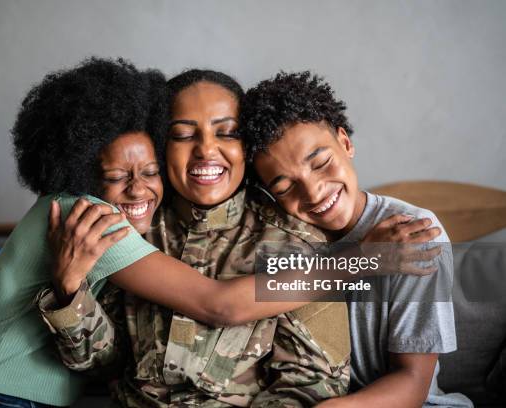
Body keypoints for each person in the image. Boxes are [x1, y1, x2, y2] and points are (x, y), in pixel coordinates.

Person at [41, 69, 445, 407]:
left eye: (227, 132)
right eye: (183, 135)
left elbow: (310, 386)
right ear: (161, 147)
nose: (205, 150)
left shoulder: (300, 242)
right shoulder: (135, 229)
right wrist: (69, 293)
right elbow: (102, 367)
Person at [241, 71, 473, 407]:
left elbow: (413, 382)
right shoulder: (277, 240)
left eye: (321, 163)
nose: (313, 191)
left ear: (345, 143)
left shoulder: (411, 235)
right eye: (284, 187)